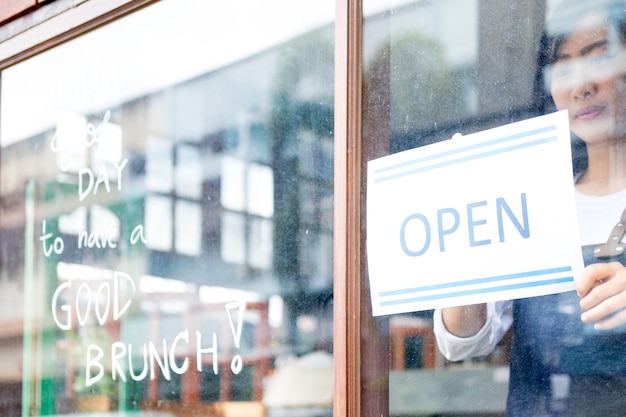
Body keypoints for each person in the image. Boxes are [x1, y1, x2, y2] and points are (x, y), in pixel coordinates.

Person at [433, 0, 626, 415]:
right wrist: (467, 223)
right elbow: (462, 341)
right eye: (563, 66)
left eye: (600, 56)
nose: (580, 85)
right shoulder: (530, 204)